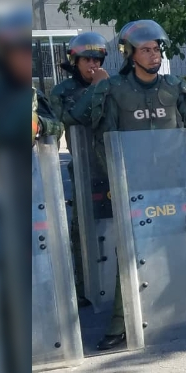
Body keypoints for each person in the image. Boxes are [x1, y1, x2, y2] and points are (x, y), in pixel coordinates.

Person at [90, 19, 186, 350]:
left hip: (171, 182)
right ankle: (121, 323)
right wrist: (115, 178)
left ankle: (180, 310)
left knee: (175, 244)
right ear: (129, 54)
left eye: (157, 49)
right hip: (132, 184)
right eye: (146, 50)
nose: (154, 55)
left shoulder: (176, 87)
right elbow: (102, 140)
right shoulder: (113, 90)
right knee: (130, 253)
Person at [49, 32, 110, 308]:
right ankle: (84, 286)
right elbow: (72, 118)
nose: (93, 65)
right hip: (85, 167)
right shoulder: (62, 91)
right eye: (87, 59)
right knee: (83, 228)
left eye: (97, 59)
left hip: (115, 164)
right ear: (75, 61)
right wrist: (97, 88)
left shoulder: (112, 84)